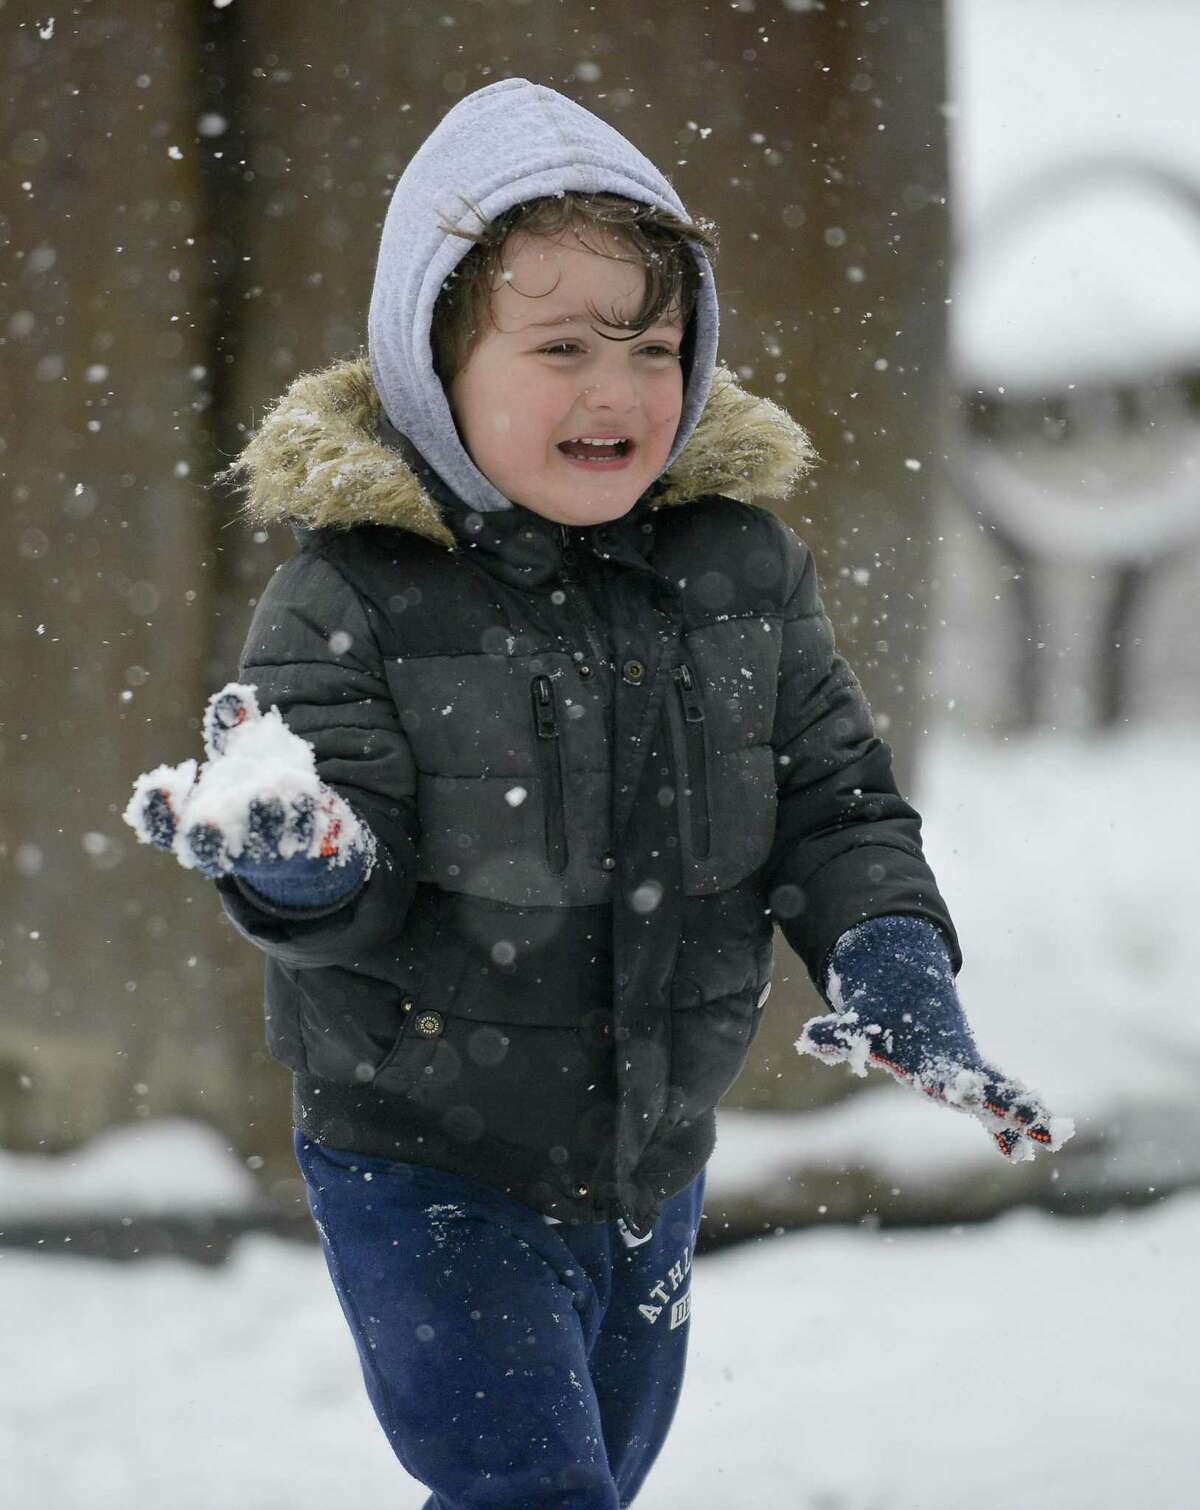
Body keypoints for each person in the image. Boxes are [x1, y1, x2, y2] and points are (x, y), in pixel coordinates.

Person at [125, 78, 1072, 1510]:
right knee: (534, 1491)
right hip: (424, 1159)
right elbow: (350, 890)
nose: (617, 388)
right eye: (561, 346)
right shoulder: (349, 598)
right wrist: (304, 857)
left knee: (597, 1478)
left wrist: (892, 959)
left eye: (654, 343)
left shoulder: (743, 572)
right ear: (431, 367)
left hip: (652, 1166)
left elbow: (837, 809)